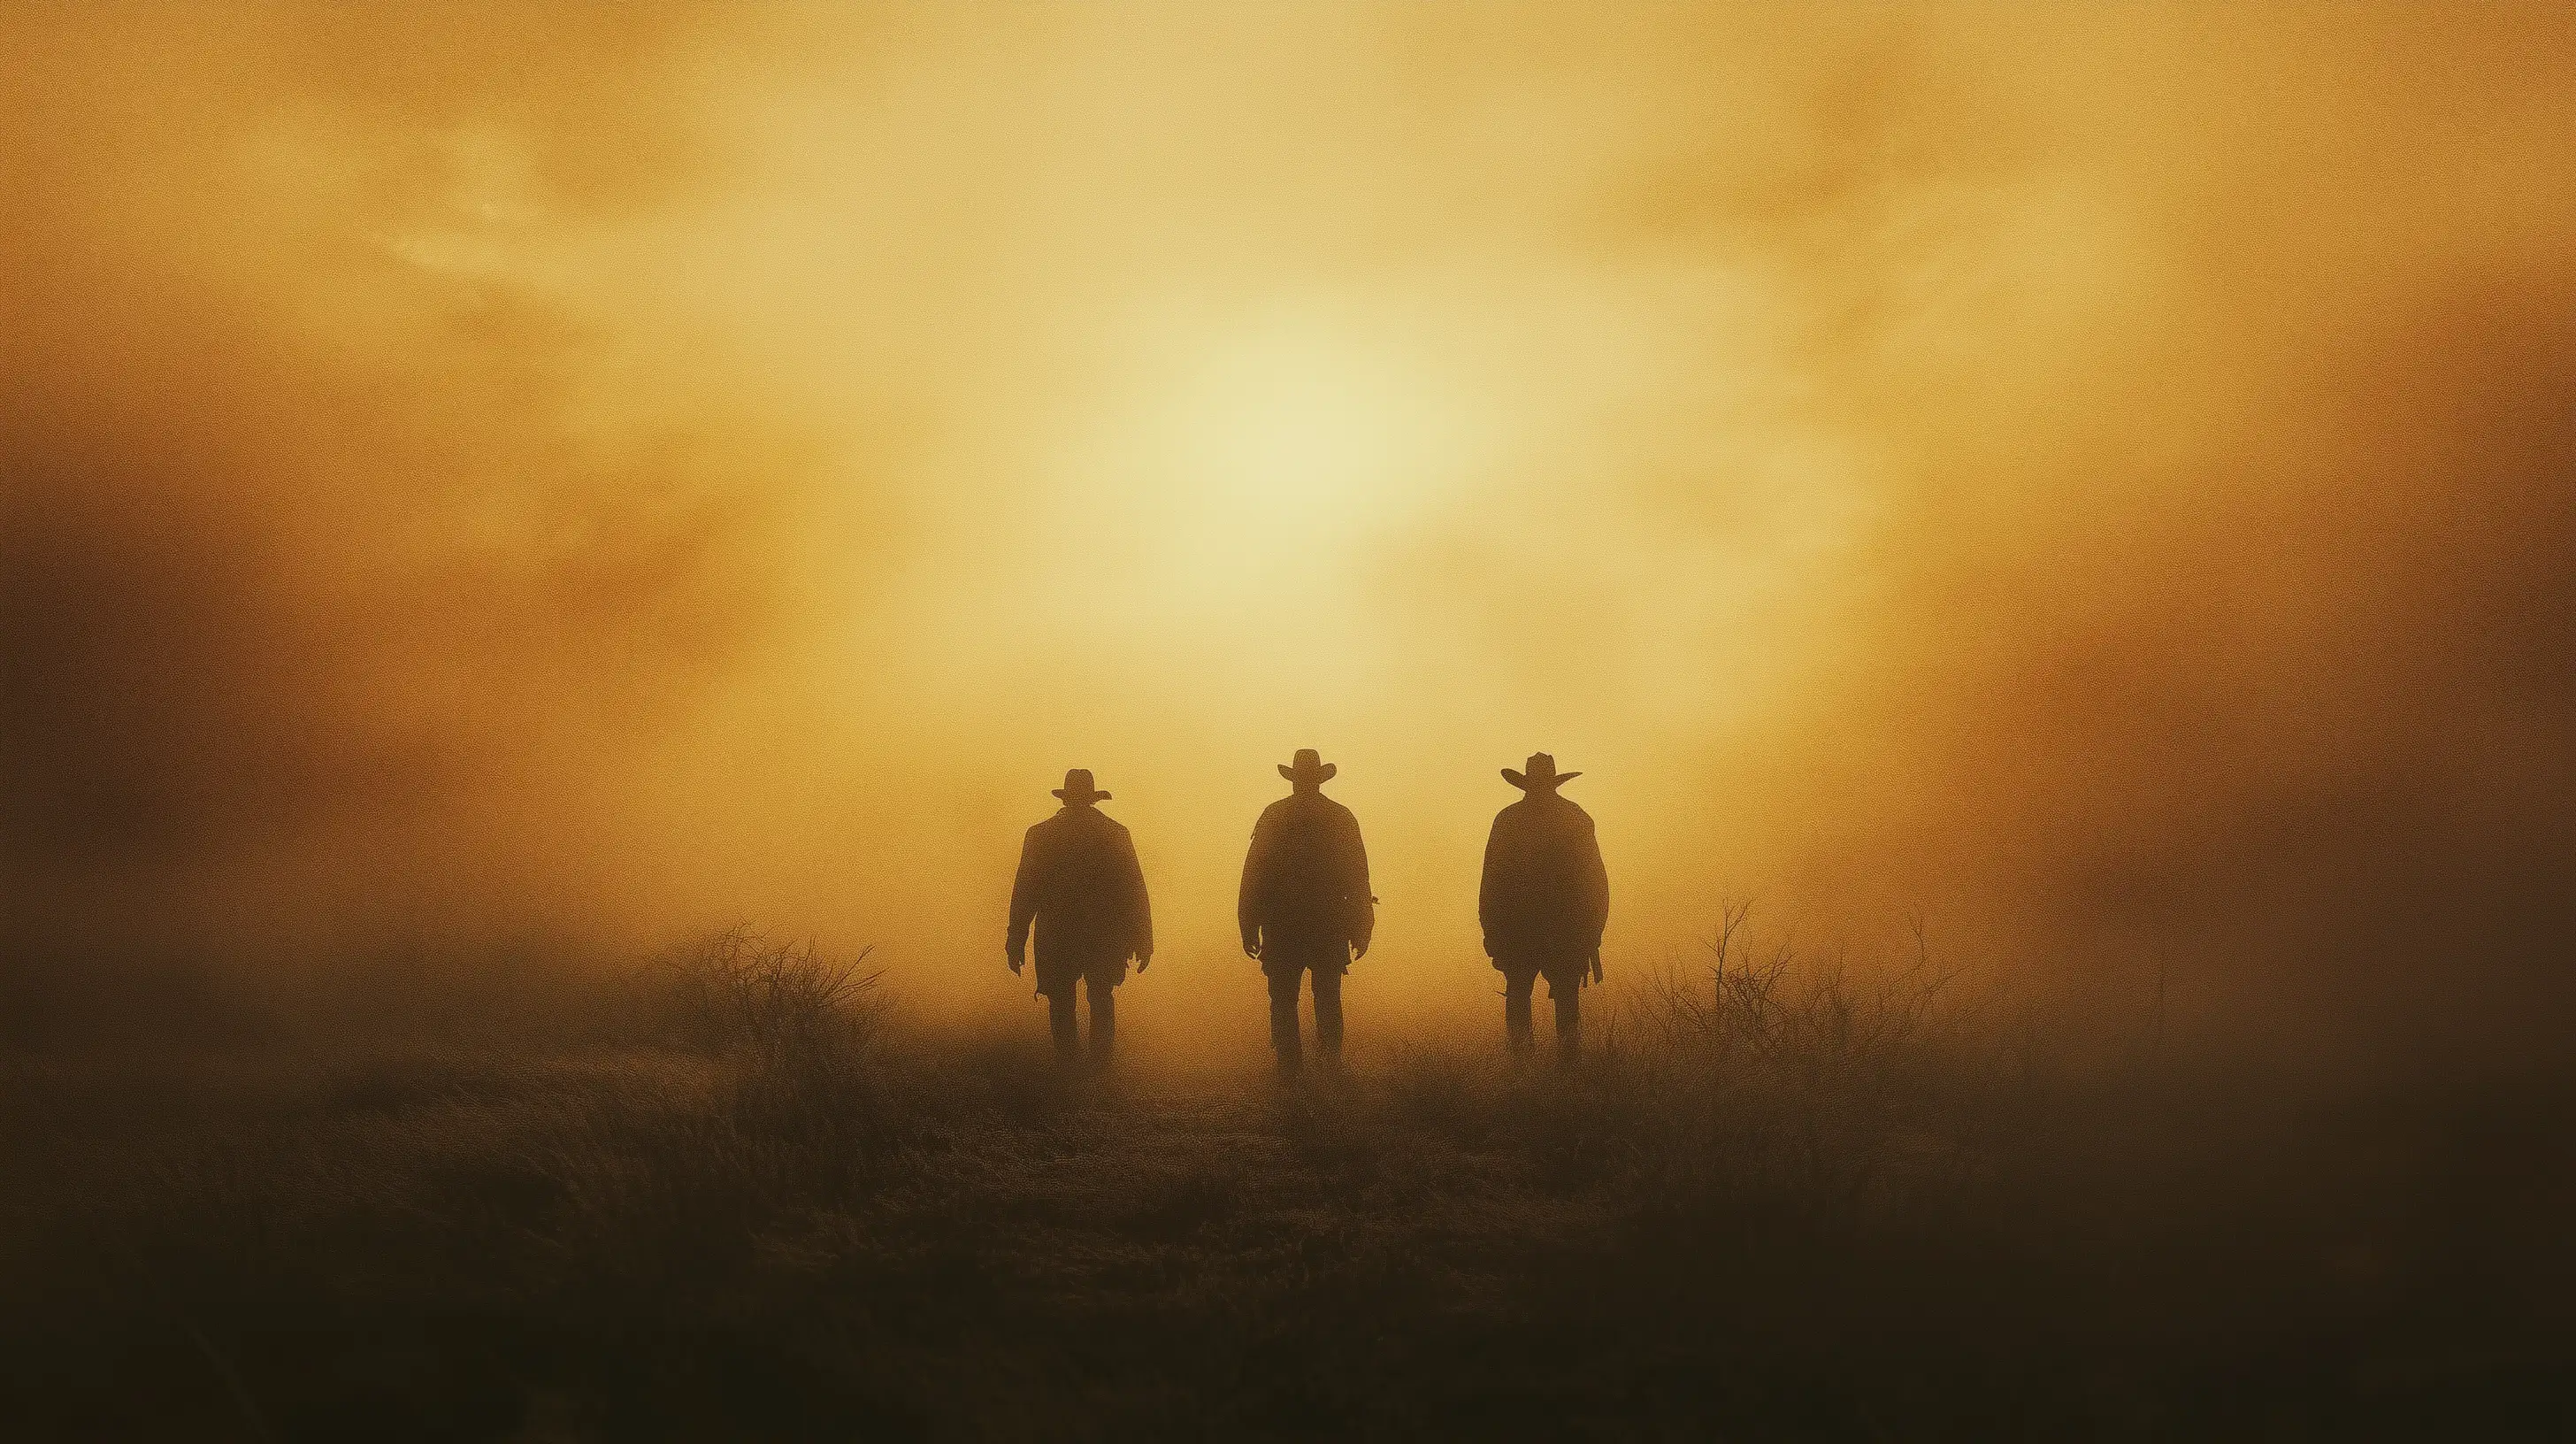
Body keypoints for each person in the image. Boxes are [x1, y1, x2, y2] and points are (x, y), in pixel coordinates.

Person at [1238, 749, 1374, 1077]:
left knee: (1283, 999)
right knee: (1327, 995)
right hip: (1328, 924)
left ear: (1294, 779)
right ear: (1320, 778)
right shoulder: (1341, 817)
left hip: (1282, 925)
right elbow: (1358, 876)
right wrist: (1362, 925)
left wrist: (1248, 925)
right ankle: (1330, 1064)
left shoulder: (1273, 815)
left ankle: (1290, 1068)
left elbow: (1254, 874)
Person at [1008, 769, 1152, 1064]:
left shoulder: (1041, 835)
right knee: (1100, 996)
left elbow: (1026, 890)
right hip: (1103, 933)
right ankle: (1099, 1062)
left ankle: (1069, 1062)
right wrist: (1143, 938)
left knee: (1061, 998)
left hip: (1058, 933)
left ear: (1066, 797)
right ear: (1093, 799)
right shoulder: (1114, 833)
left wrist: (1016, 938)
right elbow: (1134, 889)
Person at [1479, 753, 1608, 1062]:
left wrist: (1492, 931)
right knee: (1565, 999)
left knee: (1519, 997)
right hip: (1565, 928)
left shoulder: (1508, 819)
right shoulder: (1575, 818)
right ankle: (1567, 1065)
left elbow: (1491, 882)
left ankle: (1522, 1065)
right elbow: (1595, 882)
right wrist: (1592, 932)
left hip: (1519, 929)